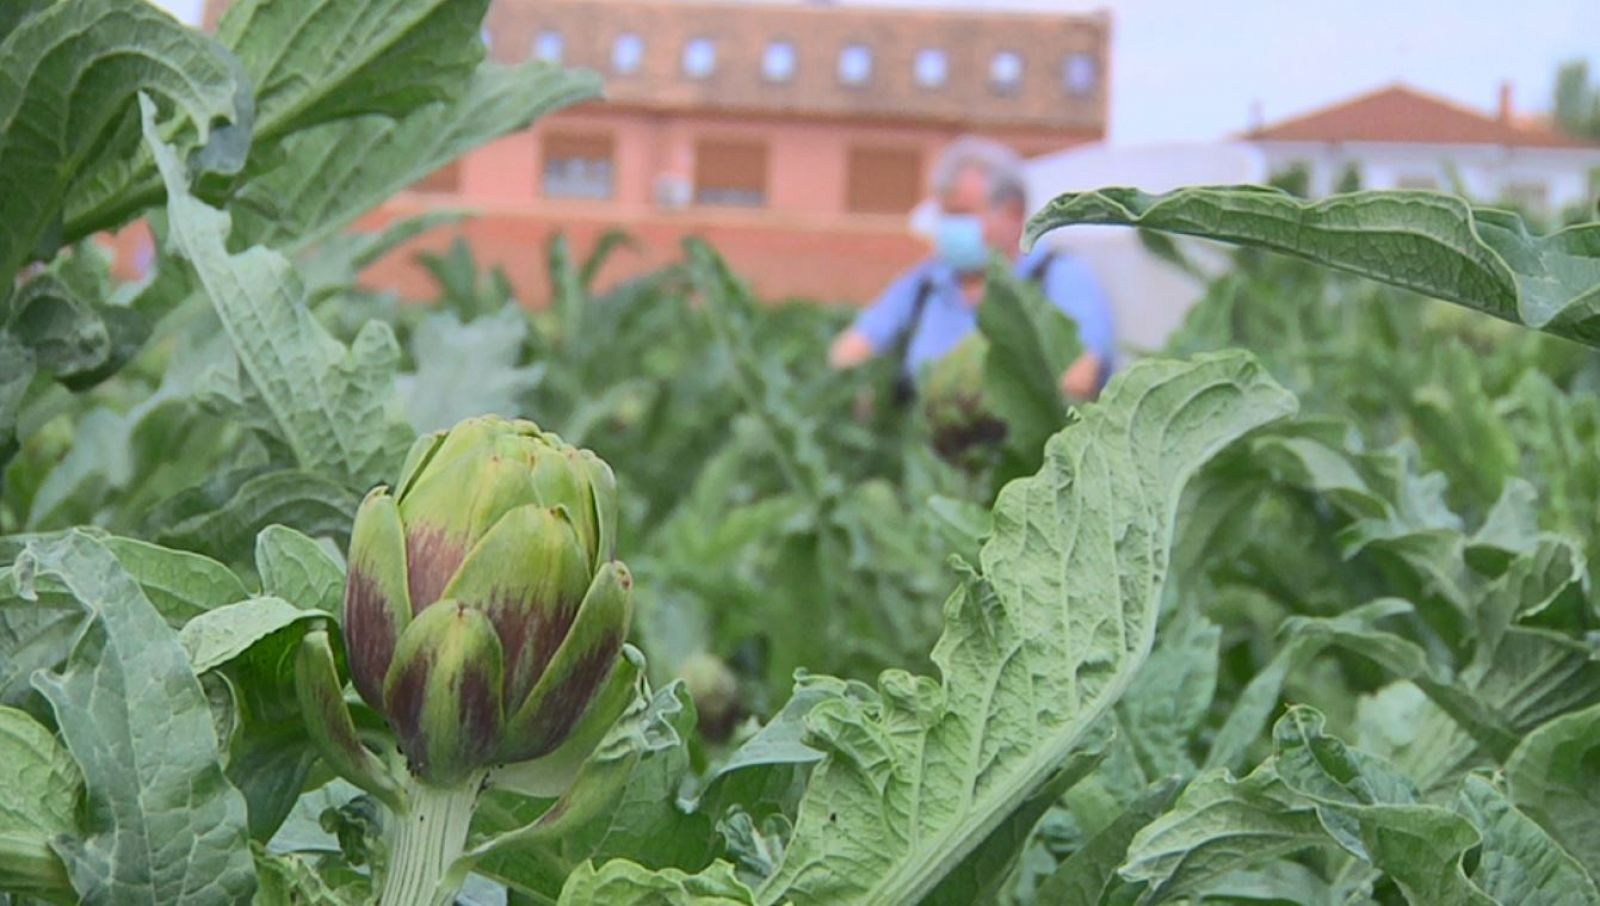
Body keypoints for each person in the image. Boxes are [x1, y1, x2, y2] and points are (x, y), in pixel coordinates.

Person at [828, 136, 1115, 401]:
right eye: (946, 215)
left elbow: (1080, 377)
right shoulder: (926, 283)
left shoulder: (1060, 279)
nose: (950, 228)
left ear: (1013, 213)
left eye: (962, 214)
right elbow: (852, 348)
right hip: (921, 448)